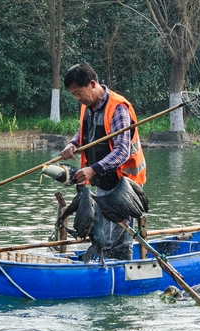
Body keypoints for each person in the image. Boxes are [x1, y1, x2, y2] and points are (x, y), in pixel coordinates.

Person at [60, 63, 146, 260]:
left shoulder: (118, 108)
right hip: (103, 179)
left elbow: (122, 151)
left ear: (92, 84)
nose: (77, 98)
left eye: (78, 92)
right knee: (101, 234)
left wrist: (92, 170)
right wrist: (72, 144)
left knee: (118, 239)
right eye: (73, 94)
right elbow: (84, 132)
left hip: (124, 185)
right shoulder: (88, 107)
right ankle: (102, 264)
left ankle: (120, 272)